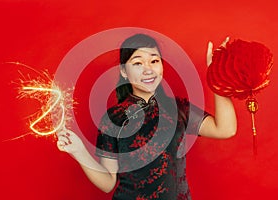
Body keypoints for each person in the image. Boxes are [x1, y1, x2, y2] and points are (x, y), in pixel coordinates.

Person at [57, 34, 237, 199]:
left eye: (154, 61)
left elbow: (225, 129)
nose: (148, 69)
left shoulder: (177, 108)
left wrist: (217, 75)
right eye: (137, 63)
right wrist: (79, 152)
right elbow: (108, 183)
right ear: (124, 71)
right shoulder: (114, 118)